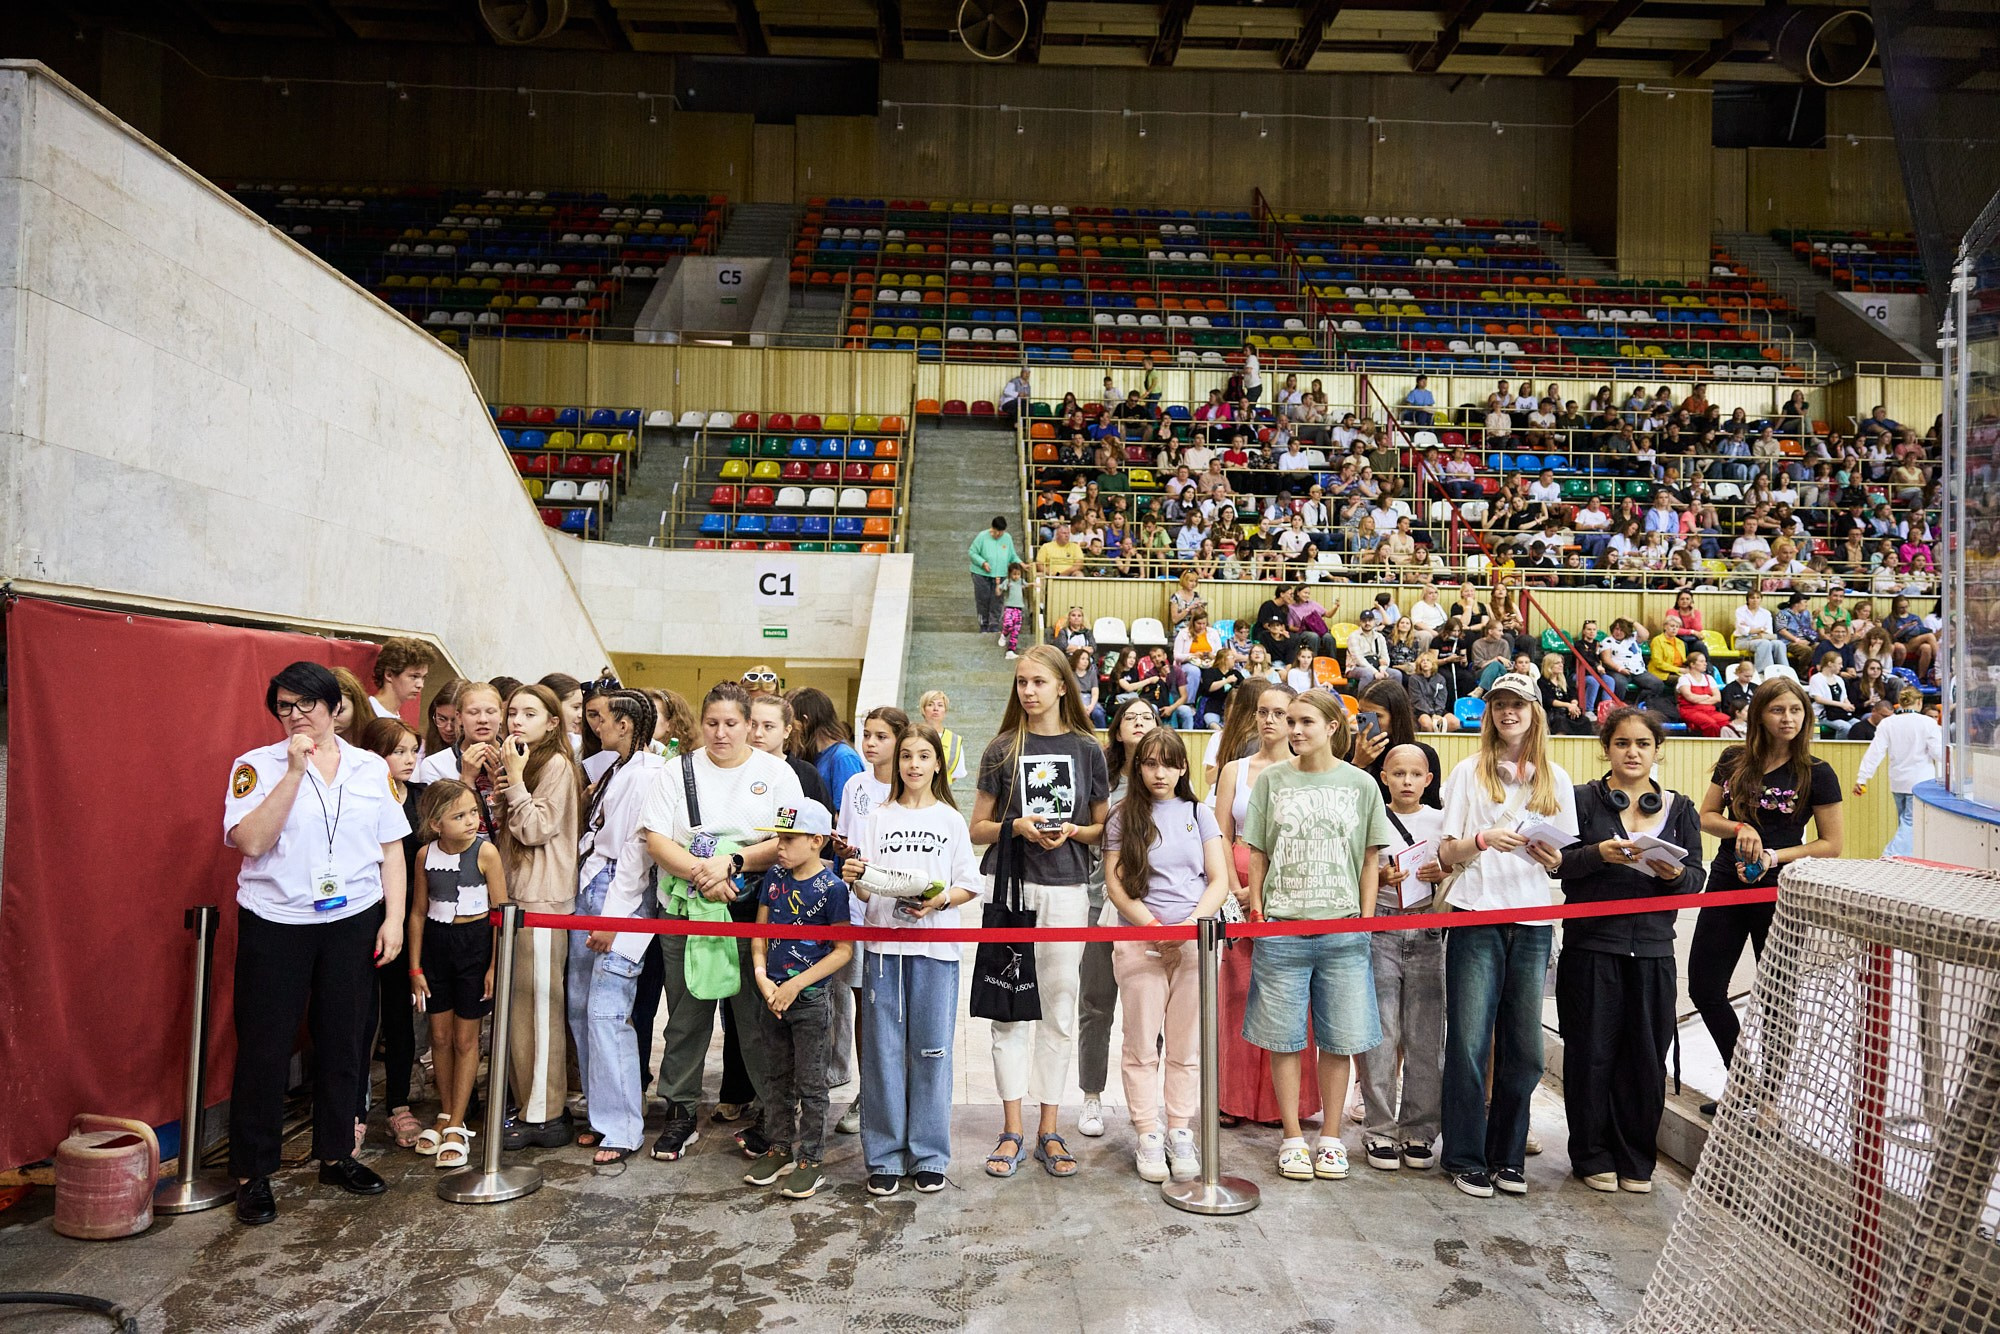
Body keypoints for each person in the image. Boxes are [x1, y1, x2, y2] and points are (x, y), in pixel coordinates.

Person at [223, 662, 409, 1226]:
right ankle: (253, 1172)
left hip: (351, 918)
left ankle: (336, 1153)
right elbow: (250, 840)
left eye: (307, 705)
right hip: (275, 921)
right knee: (265, 1047)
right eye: (285, 706)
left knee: (345, 1040)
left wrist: (393, 920)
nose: (296, 715)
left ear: (334, 708)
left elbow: (391, 850)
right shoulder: (255, 766)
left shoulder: (369, 768)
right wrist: (293, 772)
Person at [631, 681, 805, 1161]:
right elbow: (657, 840)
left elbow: (789, 840)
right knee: (686, 1017)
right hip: (687, 905)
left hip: (753, 908)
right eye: (712, 723)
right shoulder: (676, 771)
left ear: (750, 725)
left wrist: (731, 862)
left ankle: (773, 1116)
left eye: (732, 724)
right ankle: (681, 1112)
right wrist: (702, 873)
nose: (721, 733)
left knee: (756, 1019)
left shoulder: (776, 772)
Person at [1434, 672, 1577, 1199]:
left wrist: (1554, 858)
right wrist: (1480, 838)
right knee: (1470, 1043)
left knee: (1526, 1051)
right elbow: (1445, 854)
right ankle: (1465, 1156)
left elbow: (1564, 858)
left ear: (1535, 711)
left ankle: (1507, 1155)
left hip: (1535, 919)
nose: (1507, 712)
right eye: (1499, 704)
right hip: (1475, 914)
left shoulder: (1555, 779)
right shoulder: (1469, 772)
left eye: (1517, 704)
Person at [971, 646, 1110, 1177]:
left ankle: (1050, 1128)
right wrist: (1018, 826)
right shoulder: (1003, 748)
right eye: (1022, 682)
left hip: (1068, 890)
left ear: (1061, 686)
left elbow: (1102, 827)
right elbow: (977, 827)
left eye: (1038, 682)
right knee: (1008, 1008)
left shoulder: (1086, 749)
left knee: (1058, 1006)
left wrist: (1072, 831)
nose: (1028, 691)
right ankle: (1012, 1129)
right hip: (1009, 889)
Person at [1554, 709, 1704, 1192]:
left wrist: (1675, 875)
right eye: (1622, 743)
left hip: (1655, 951)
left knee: (1645, 1057)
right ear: (1607, 749)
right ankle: (1592, 1154)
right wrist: (1597, 854)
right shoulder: (1581, 800)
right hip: (1592, 946)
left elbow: (1696, 881)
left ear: (1658, 750)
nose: (1633, 752)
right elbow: (1558, 867)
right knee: (1590, 1054)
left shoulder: (1681, 809)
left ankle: (1636, 1159)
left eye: (1642, 744)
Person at [1242, 689, 1389, 1183]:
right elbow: (1257, 852)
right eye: (1289, 721)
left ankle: (1329, 1138)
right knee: (1284, 1039)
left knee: (1339, 1040)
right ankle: (1290, 1137)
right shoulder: (1271, 783)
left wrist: (1364, 919)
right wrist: (1259, 909)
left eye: (1306, 721)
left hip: (1343, 929)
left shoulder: (1362, 784)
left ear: (1332, 726)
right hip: (1283, 928)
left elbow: (1370, 859)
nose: (1295, 729)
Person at [1691, 678, 1844, 1110]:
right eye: (1778, 710)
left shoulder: (1817, 772)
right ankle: (1744, 1083)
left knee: (1778, 997)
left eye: (1795, 711)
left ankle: (1771, 1101)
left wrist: (1775, 856)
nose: (1788, 719)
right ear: (1759, 714)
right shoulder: (1734, 761)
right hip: (1724, 883)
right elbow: (1706, 816)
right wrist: (1742, 828)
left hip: (1780, 893)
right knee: (1705, 989)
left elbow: (1830, 844)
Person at [843, 724, 983, 1196]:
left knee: (931, 1051)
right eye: (907, 756)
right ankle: (883, 1155)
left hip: (936, 949)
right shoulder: (878, 817)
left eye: (924, 755)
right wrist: (856, 878)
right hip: (884, 947)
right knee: (882, 1053)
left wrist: (938, 901)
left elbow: (968, 883)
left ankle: (928, 1153)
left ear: (938, 763)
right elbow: (867, 885)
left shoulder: (950, 819)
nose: (914, 764)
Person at [1104, 729, 1231, 1183]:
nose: (1159, 772)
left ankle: (1179, 1130)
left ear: (1182, 768)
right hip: (1141, 943)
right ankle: (1147, 1132)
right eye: (1149, 763)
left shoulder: (1199, 814)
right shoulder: (1123, 816)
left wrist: (1188, 928)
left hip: (1195, 942)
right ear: (1138, 768)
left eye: (1168, 763)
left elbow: (1219, 879)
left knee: (1186, 1047)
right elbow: (1116, 884)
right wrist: (1156, 930)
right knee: (1140, 1045)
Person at [567, 689, 667, 1165]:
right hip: (591, 880)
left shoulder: (647, 773)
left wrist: (613, 917)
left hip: (620, 892)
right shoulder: (616, 767)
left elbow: (636, 850)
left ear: (626, 723)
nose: (596, 726)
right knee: (580, 1006)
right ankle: (600, 1114)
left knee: (608, 1011)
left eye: (602, 719)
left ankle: (623, 1126)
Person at [1212, 682, 1315, 1126]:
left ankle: (1282, 1103)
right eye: (1262, 712)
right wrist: (1235, 887)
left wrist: (1269, 888)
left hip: (1289, 890)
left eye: (1280, 713)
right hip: (1237, 891)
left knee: (1288, 996)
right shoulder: (1234, 769)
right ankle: (1232, 1099)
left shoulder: (1307, 771)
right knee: (1238, 991)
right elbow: (1217, 836)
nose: (1269, 720)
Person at [743, 799, 854, 1199]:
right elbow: (760, 931)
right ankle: (778, 1147)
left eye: (789, 838)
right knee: (775, 1078)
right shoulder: (774, 877)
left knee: (811, 1081)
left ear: (816, 841)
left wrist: (796, 985)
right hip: (771, 995)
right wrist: (762, 976)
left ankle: (810, 1156)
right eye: (777, 838)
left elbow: (842, 950)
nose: (780, 846)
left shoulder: (833, 888)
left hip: (808, 1000)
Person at [488, 684, 583, 1150]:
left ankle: (545, 1112)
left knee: (541, 1009)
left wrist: (515, 779)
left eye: (530, 713)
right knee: (519, 1010)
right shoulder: (524, 762)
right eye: (512, 712)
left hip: (544, 902)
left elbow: (535, 827)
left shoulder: (558, 765)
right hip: (516, 898)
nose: (516, 721)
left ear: (552, 722)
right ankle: (527, 1104)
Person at [406, 780, 506, 1170]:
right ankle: (447, 1112)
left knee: (467, 1040)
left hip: (475, 945)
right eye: (459, 815)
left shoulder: (487, 853)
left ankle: (458, 1122)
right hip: (436, 945)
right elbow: (416, 912)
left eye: (473, 812)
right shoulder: (424, 856)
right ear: (435, 823)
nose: (471, 821)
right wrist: (415, 966)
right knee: (440, 1036)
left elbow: (501, 915)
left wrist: (495, 966)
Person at [1356, 743, 1446, 1172]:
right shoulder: (1373, 817)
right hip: (1383, 927)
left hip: (1428, 927)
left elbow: (1457, 868)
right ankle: (1379, 1129)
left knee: (1425, 1035)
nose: (1407, 782)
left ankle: (1419, 1129)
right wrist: (1380, 875)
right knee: (1381, 1033)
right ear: (1384, 777)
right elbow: (1358, 866)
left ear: (1428, 780)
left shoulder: (1441, 821)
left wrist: (1442, 872)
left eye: (1415, 774)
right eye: (1398, 773)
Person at [1076, 697, 1160, 1141]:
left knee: (1149, 1010)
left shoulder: (1169, 783)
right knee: (1095, 1002)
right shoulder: (1102, 780)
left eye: (1148, 718)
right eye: (1132, 717)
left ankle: (1144, 1103)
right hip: (1100, 902)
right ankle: (1091, 1096)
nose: (1140, 723)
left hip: (1154, 908)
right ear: (1118, 729)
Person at [359, 717, 427, 1149]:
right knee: (359, 1017)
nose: (407, 759)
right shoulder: (360, 793)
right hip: (362, 915)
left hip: (406, 918)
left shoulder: (420, 798)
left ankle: (398, 1104)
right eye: (398, 750)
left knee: (401, 1017)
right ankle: (353, 1108)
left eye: (412, 750)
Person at [1854, 686, 1942, 858]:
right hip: (1920, 782)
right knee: (1910, 824)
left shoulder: (1888, 723)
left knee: (1905, 824)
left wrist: (1862, 778)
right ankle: (1889, 856)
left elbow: (1875, 752)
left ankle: (1905, 859)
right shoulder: (1928, 723)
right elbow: (1938, 753)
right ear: (1919, 702)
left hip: (1897, 782)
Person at [968, 516, 1019, 639]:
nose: (999, 535)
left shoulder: (1007, 538)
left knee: (997, 600)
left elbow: (1012, 555)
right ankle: (983, 625)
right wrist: (983, 562)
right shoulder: (982, 536)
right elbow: (972, 552)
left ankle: (994, 625)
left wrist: (1021, 563)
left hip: (999, 574)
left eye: (1002, 532)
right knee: (982, 600)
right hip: (981, 574)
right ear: (992, 529)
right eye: (997, 532)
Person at [369, 638, 433, 721]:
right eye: (414, 676)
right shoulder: (364, 713)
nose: (420, 685)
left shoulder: (398, 720)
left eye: (423, 677)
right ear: (389, 674)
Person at [917, 690, 966, 785]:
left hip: (941, 793)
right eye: (930, 704)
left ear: (945, 711)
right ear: (923, 709)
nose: (936, 709)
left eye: (940, 705)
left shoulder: (954, 740)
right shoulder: (912, 734)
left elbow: (955, 774)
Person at [1677, 649, 1729, 737]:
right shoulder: (1684, 678)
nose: (1705, 664)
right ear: (1692, 664)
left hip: (1709, 711)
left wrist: (1698, 699)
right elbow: (1690, 697)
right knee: (1711, 724)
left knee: (1727, 722)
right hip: (1690, 711)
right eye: (1701, 661)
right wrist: (1706, 696)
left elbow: (1717, 698)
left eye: (1705, 661)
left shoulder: (1709, 678)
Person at [1734, 589, 1784, 672]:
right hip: (1744, 640)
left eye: (1758, 598)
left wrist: (1752, 629)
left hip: (1763, 638)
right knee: (1764, 643)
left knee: (1779, 643)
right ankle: (1763, 671)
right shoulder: (1740, 611)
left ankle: (1784, 670)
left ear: (1761, 599)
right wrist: (1760, 629)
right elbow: (1743, 630)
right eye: (1752, 598)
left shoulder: (1766, 613)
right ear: (1748, 599)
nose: (1755, 600)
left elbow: (1769, 631)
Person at [1809, 651, 1858, 738]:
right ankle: (1839, 750)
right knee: (1845, 727)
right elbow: (1818, 699)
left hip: (1839, 713)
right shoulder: (1816, 678)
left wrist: (1848, 705)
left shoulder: (1839, 679)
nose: (1842, 666)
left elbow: (1844, 698)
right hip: (1823, 715)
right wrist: (1841, 705)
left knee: (1858, 725)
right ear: (1830, 664)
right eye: (1839, 664)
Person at [330, 666, 376, 744]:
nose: (332, 720)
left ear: (357, 704)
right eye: (325, 712)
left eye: (339, 711)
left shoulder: (380, 737)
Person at [998, 561, 1033, 658]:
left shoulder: (1021, 581)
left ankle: (1011, 651)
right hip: (1009, 607)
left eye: (1018, 574)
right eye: (1014, 574)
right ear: (1010, 574)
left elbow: (1026, 584)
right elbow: (999, 591)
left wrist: (1034, 584)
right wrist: (998, 585)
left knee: (1016, 630)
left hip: (1019, 608)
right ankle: (1004, 635)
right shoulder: (1007, 582)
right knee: (1008, 624)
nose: (1016, 576)